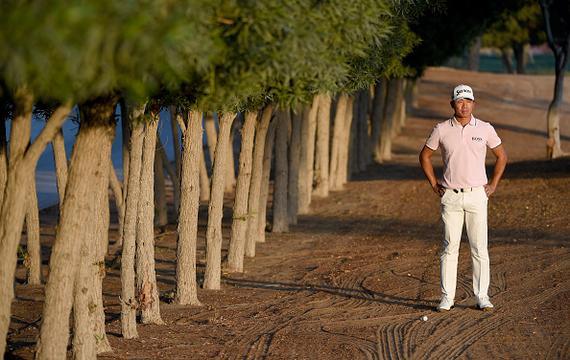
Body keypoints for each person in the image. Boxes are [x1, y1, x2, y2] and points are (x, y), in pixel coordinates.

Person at [419, 84, 507, 312]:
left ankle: (482, 297)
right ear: (452, 104)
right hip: (451, 197)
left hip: (477, 195)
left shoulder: (485, 128)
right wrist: (433, 183)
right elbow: (425, 156)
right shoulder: (441, 129)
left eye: (468, 101)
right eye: (460, 101)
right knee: (450, 248)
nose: (464, 105)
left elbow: (501, 156)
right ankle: (447, 298)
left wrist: (493, 184)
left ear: (474, 104)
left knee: (479, 248)